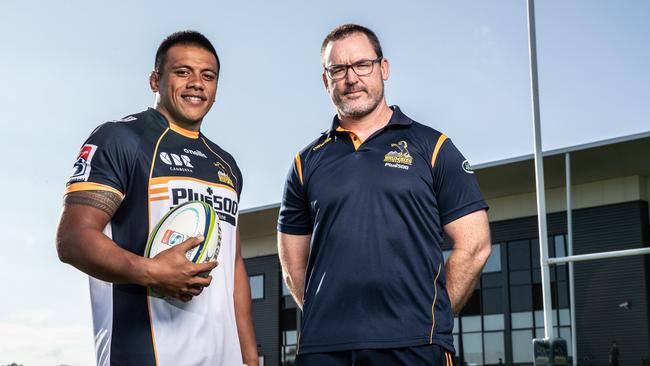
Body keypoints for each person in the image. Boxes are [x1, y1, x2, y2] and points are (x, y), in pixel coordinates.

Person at [277, 24, 491, 365]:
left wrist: (429, 316)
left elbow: (476, 244)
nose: (351, 78)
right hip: (324, 348)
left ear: (383, 68)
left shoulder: (433, 148)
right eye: (338, 69)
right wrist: (331, 319)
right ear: (325, 80)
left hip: (415, 344)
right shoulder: (306, 163)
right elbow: (292, 267)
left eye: (362, 65)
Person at [56, 31, 258, 366]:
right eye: (183, 72)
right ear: (155, 80)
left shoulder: (227, 165)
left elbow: (233, 267)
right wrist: (151, 271)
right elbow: (72, 239)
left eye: (207, 76)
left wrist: (249, 357)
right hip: (143, 354)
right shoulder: (121, 139)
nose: (196, 83)